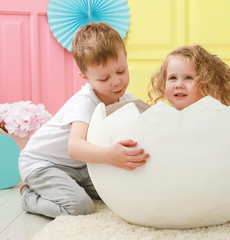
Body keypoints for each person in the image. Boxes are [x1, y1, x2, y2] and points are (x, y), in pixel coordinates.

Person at [18, 22, 150, 218]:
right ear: (85, 77)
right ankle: (29, 197)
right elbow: (75, 147)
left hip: (80, 166)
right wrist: (109, 155)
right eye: (104, 79)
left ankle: (69, 187)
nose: (116, 81)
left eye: (121, 71)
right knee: (80, 207)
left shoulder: (126, 99)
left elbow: (150, 120)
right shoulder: (85, 102)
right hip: (43, 164)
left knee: (118, 192)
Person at [148, 45, 230, 110]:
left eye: (188, 78)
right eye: (173, 78)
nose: (179, 85)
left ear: (208, 83)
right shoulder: (162, 118)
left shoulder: (214, 117)